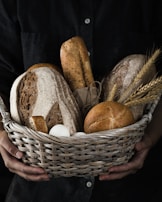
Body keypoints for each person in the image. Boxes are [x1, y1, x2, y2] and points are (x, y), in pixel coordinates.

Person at [0, 0, 162, 202]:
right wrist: (1, 136)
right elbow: (2, 77)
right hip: (41, 190)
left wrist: (152, 136)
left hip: (130, 189)